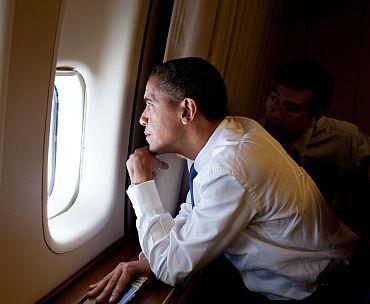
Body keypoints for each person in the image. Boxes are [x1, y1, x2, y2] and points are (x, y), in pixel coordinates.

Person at [88, 57, 358, 303]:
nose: (142, 118)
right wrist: (149, 260)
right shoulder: (229, 136)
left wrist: (141, 184)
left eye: (150, 104)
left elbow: (170, 268)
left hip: (318, 289)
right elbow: (193, 213)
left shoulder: (230, 167)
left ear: (187, 111)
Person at [260, 59, 370, 238]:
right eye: (274, 99)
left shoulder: (346, 139)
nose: (276, 112)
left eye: (290, 108)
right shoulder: (252, 136)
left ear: (315, 118)